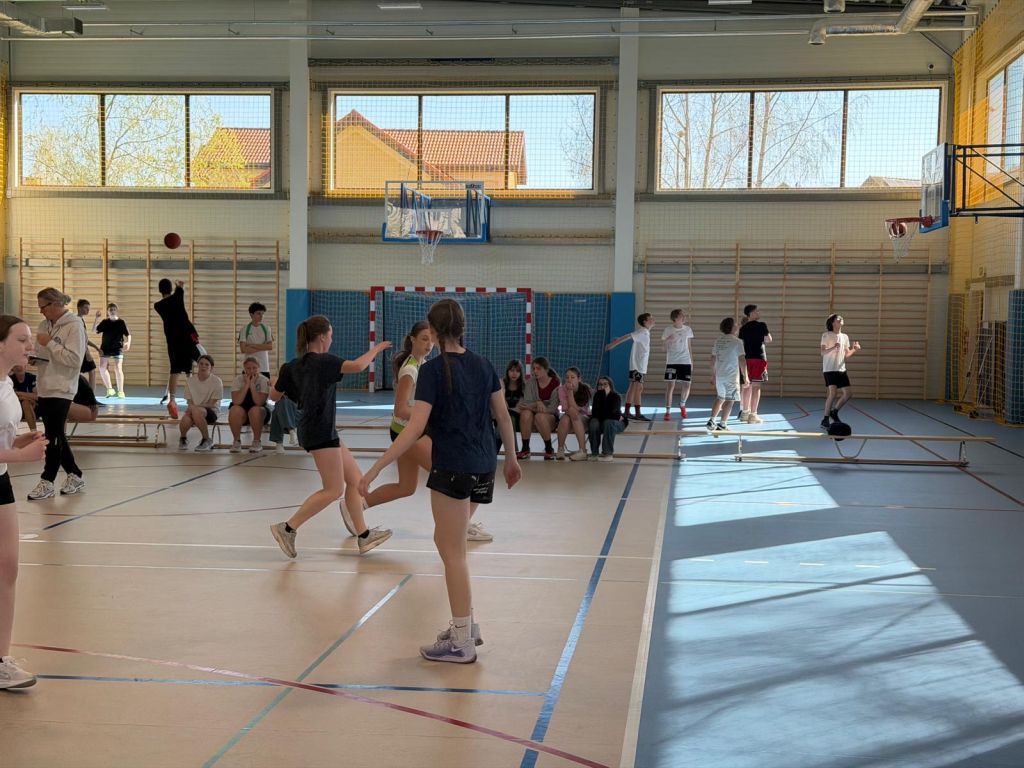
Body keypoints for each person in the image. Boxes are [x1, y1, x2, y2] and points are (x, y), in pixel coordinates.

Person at [358, 299, 521, 664]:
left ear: (432, 332)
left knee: (453, 553)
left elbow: (413, 427)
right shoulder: (483, 364)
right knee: (449, 543)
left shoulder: (432, 370)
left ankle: (461, 640)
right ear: (463, 327)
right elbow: (503, 418)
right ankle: (467, 626)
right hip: (484, 464)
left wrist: (374, 468)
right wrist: (510, 459)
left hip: (454, 466)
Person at [269, 316, 392, 558]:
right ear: (322, 336)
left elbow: (274, 396)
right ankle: (288, 528)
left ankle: (364, 535)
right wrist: (377, 349)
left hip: (315, 429)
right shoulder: (324, 362)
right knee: (333, 489)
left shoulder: (292, 366)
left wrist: (281, 383)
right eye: (331, 335)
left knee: (356, 481)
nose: (332, 340)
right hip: (320, 430)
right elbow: (358, 366)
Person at [0, 315, 49, 690]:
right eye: (21, 339)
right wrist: (20, 457)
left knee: (8, 568)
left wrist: (17, 442)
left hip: (0, 480)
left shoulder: (6, 383)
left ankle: (1, 661)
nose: (30, 345)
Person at [28, 288, 87, 501]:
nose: (41, 311)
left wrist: (50, 343)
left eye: (43, 307)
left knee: (52, 436)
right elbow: (44, 354)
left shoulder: (74, 325)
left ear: (54, 304)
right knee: (56, 434)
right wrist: (34, 358)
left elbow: (74, 360)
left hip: (62, 388)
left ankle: (47, 480)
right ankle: (75, 474)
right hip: (45, 385)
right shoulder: (44, 325)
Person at [154, 278, 202, 419]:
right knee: (196, 365)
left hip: (173, 340)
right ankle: (193, 399)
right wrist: (179, 286)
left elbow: (177, 292)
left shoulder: (158, 305)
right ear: (170, 288)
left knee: (175, 370)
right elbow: (180, 288)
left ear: (160, 290)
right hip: (187, 337)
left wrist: (178, 288)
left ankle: (172, 400)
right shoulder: (177, 297)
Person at [605, 313, 655, 422]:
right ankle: (638, 413)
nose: (653, 320)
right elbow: (628, 336)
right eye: (650, 319)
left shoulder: (644, 332)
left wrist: (617, 340)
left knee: (633, 387)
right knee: (638, 388)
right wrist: (612, 344)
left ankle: (627, 411)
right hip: (638, 366)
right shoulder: (643, 332)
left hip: (638, 365)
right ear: (645, 322)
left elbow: (629, 336)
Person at [707, 317, 747, 434]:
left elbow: (712, 359)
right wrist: (746, 376)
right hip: (731, 376)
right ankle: (723, 424)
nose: (738, 326)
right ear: (733, 327)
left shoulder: (718, 341)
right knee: (730, 400)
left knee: (720, 397)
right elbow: (742, 360)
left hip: (720, 375)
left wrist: (713, 375)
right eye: (736, 324)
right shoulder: (737, 342)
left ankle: (712, 420)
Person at [821, 313, 860, 430]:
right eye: (838, 318)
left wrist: (854, 349)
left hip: (841, 369)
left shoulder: (845, 337)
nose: (841, 319)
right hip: (830, 368)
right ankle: (825, 419)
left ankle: (834, 412)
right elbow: (822, 352)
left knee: (848, 394)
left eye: (841, 318)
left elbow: (846, 355)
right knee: (832, 393)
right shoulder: (826, 335)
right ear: (833, 323)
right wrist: (834, 347)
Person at [515, 357, 560, 460]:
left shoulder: (555, 383)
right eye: (534, 368)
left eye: (538, 368)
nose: (535, 371)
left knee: (540, 416)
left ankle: (549, 449)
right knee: (525, 413)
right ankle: (525, 449)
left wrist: (533, 407)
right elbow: (526, 403)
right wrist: (537, 403)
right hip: (533, 418)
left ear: (546, 370)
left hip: (550, 418)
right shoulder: (530, 383)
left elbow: (552, 408)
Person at [178, 354, 223, 452]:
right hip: (194, 409)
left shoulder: (216, 381)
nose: (203, 366)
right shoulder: (190, 381)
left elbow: (212, 404)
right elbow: (189, 401)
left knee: (196, 411)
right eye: (201, 364)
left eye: (207, 364)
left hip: (211, 411)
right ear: (198, 365)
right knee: (186, 419)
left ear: (211, 367)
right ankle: (183, 438)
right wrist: (192, 408)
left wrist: (194, 408)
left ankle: (206, 439)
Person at [228, 356, 270, 454]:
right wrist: (247, 384)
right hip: (243, 411)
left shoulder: (264, 380)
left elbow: (259, 402)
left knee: (255, 410)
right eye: (248, 368)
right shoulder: (238, 380)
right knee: (234, 409)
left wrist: (252, 385)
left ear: (259, 368)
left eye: (254, 368)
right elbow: (237, 401)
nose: (251, 371)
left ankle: (256, 441)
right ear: (244, 368)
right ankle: (236, 441)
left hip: (260, 412)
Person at [738, 304, 771, 424]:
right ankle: (753, 414)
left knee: (747, 386)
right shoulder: (762, 325)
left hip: (746, 359)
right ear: (750, 313)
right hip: (758, 358)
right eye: (756, 311)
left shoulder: (743, 328)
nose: (759, 313)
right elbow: (768, 339)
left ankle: (744, 413)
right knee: (756, 387)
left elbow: (741, 343)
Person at [661, 309, 694, 421]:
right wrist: (668, 340)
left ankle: (682, 405)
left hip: (685, 360)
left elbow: (689, 346)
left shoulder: (688, 329)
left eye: (684, 316)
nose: (684, 317)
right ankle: (667, 411)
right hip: (672, 361)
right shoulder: (668, 330)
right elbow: (663, 348)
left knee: (687, 385)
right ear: (675, 318)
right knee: (670, 386)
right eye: (681, 316)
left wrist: (691, 361)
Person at [93, 303, 131, 398]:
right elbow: (94, 330)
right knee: (102, 368)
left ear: (116, 311)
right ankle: (110, 389)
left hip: (117, 347)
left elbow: (128, 334)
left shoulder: (121, 322)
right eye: (110, 310)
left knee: (118, 368)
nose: (112, 311)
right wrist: (96, 318)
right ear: (108, 312)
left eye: (114, 309)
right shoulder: (105, 322)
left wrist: (128, 342)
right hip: (105, 347)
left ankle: (121, 391)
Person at [555, 366, 591, 461]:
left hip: (583, 418)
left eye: (572, 377)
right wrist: (570, 409)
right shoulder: (561, 389)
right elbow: (565, 408)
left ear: (579, 379)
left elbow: (578, 409)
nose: (569, 380)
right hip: (569, 417)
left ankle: (583, 451)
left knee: (575, 416)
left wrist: (570, 392)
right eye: (567, 377)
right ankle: (560, 449)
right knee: (565, 418)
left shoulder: (585, 389)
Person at [588, 375, 625, 461]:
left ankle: (608, 453)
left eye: (605, 384)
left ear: (610, 385)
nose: (602, 386)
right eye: (600, 384)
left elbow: (614, 415)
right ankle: (594, 453)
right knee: (593, 422)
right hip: (602, 422)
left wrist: (606, 397)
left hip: (615, 424)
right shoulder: (597, 396)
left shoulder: (616, 396)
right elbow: (595, 414)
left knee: (608, 422)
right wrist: (603, 397)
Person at [238, 301, 274, 378]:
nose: (261, 316)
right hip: (248, 368)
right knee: (247, 386)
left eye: (262, 314)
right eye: (258, 313)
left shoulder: (267, 328)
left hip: (264, 367)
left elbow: (270, 347)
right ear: (251, 314)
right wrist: (263, 347)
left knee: (265, 386)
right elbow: (243, 349)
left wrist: (251, 345)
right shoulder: (244, 329)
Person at [497, 359, 524, 454]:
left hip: (518, 419)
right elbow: (502, 404)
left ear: (521, 373)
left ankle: (497, 449)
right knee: (506, 419)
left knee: (509, 419)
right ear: (507, 371)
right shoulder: (502, 383)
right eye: (512, 370)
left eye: (517, 371)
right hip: (502, 415)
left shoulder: (523, 386)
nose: (514, 373)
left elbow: (519, 408)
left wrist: (507, 410)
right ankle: (513, 452)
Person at [75, 299, 100, 391]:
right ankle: (91, 395)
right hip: (80, 351)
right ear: (79, 308)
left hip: (82, 351)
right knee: (91, 371)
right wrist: (87, 352)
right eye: (85, 308)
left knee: (90, 371)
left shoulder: (80, 320)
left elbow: (85, 338)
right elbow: (82, 339)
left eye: (88, 308)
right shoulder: (77, 321)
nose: (88, 310)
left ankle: (89, 395)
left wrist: (96, 347)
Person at [10, 366, 37, 430]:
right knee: (25, 402)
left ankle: (34, 431)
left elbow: (37, 396)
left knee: (25, 403)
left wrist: (18, 393)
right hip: (15, 406)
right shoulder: (10, 380)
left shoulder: (32, 378)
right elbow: (9, 396)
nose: (19, 367)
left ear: (25, 367)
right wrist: (26, 397)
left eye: (21, 365)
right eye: (16, 366)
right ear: (12, 369)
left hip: (33, 406)